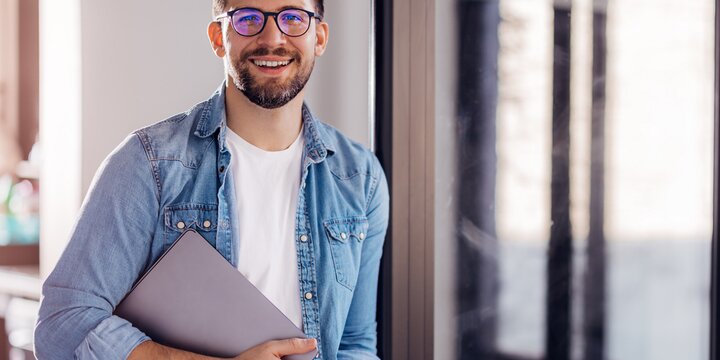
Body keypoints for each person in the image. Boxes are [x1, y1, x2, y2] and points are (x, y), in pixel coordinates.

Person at [33, 0, 389, 359]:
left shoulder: (359, 177)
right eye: (248, 18)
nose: (273, 37)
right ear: (218, 36)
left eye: (293, 17)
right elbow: (63, 323)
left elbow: (354, 345)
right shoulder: (148, 164)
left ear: (320, 37)